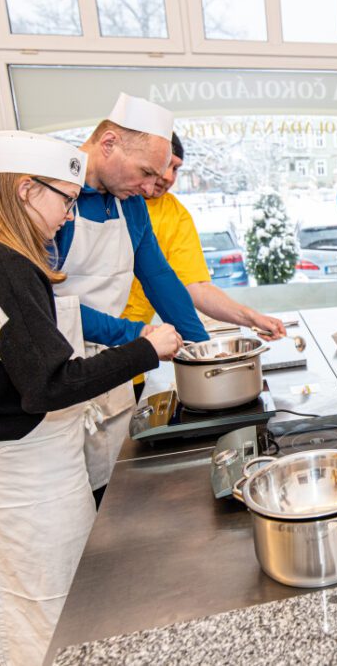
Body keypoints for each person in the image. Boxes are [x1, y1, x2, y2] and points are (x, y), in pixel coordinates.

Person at [0, 130, 181, 666]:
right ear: (26, 191)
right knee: (49, 611)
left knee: (59, 602)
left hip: (26, 459)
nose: (69, 216)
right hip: (26, 471)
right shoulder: (5, 267)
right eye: (65, 201)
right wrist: (144, 348)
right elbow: (51, 383)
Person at [54, 93, 209, 498]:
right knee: (69, 501)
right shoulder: (54, 198)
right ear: (108, 143)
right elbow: (48, 307)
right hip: (56, 371)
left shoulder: (129, 204)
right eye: (144, 172)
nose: (148, 186)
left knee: (115, 493)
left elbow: (160, 278)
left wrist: (207, 352)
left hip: (112, 366)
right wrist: (133, 334)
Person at [122, 132, 285, 396]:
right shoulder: (111, 201)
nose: (169, 177)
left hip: (135, 357)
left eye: (176, 168)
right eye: (165, 165)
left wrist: (250, 317)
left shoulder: (174, 213)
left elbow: (195, 287)